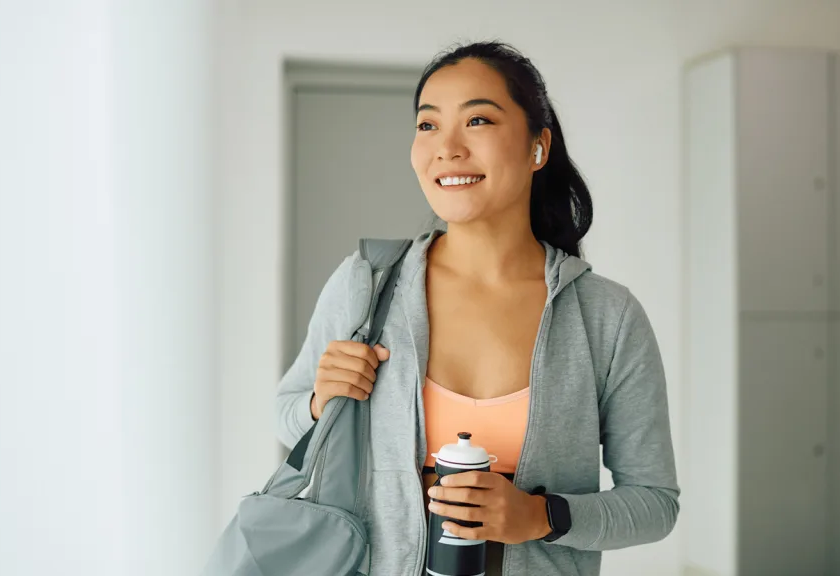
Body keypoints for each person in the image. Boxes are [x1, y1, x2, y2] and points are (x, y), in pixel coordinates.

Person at [276, 40, 679, 576]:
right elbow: (287, 418)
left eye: (478, 121)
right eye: (427, 125)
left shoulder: (607, 316)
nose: (446, 147)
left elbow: (655, 503)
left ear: (538, 147)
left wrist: (541, 516)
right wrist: (319, 401)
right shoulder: (367, 284)